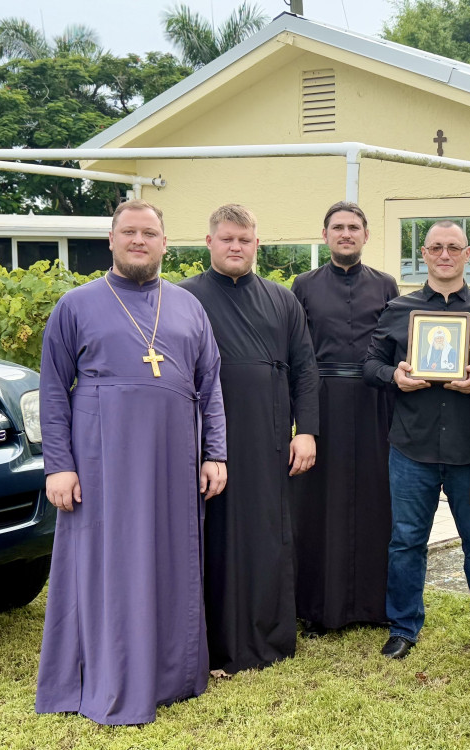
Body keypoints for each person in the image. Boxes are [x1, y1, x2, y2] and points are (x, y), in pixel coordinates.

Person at [36, 199, 227, 725]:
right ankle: (107, 674)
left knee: (169, 553)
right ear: (113, 240)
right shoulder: (76, 304)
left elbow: (209, 385)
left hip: (172, 455)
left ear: (165, 243)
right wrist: (59, 465)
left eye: (149, 233)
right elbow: (53, 390)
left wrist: (215, 452)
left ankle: (173, 674)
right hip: (101, 458)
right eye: (129, 232)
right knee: (107, 561)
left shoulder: (188, 306)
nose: (139, 241)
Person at [179, 204, 320, 675]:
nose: (236, 246)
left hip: (270, 438)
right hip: (204, 441)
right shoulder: (183, 299)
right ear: (209, 243)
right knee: (212, 538)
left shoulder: (283, 300)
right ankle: (212, 642)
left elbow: (305, 371)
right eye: (226, 238)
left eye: (244, 239)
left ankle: (268, 638)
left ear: (257, 244)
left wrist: (309, 432)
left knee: (267, 535)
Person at [363, 220, 470, 659]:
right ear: (423, 253)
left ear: (468, 253)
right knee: (406, 541)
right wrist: (394, 376)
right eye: (436, 247)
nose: (445, 254)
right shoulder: (398, 309)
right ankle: (403, 627)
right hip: (411, 446)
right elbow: (369, 365)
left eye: (454, 247)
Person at [290, 201, 398, 631]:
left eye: (354, 227)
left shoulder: (386, 284)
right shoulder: (303, 285)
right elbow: (296, 352)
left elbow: (398, 344)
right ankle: (318, 605)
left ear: (366, 235)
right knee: (318, 504)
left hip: (376, 405)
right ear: (325, 235)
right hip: (322, 403)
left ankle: (374, 606)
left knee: (376, 502)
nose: (346, 233)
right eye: (338, 227)